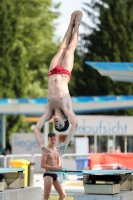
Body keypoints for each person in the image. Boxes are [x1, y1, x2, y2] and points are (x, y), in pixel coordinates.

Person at [34, 10, 83, 154]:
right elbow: (75, 124)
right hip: (64, 73)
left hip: (52, 72)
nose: (57, 124)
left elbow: (37, 128)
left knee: (62, 47)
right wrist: (66, 143)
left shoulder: (49, 111)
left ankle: (70, 23)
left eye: (56, 126)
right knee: (69, 49)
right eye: (60, 125)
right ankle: (77, 24)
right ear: (64, 121)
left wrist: (41, 144)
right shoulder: (67, 109)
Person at [41, 132, 66, 200]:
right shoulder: (45, 150)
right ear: (48, 139)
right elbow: (42, 165)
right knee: (46, 197)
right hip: (48, 175)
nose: (53, 141)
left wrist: (60, 167)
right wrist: (55, 167)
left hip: (55, 175)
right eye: (51, 139)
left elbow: (59, 163)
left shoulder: (57, 150)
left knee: (63, 195)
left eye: (54, 139)